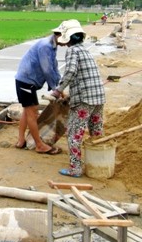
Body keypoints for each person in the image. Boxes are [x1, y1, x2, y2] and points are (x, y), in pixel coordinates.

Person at [51, 19, 106, 178]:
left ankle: (75, 169)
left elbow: (71, 72)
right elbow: (83, 76)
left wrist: (58, 90)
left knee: (74, 133)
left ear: (67, 36)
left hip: (84, 100)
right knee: (96, 131)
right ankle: (98, 163)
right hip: (98, 97)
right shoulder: (84, 49)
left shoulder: (73, 51)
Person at [14, 22, 66, 155]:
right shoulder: (45, 46)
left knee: (27, 110)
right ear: (59, 35)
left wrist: (60, 88)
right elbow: (47, 70)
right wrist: (56, 89)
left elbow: (54, 67)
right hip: (26, 82)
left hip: (27, 81)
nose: (66, 43)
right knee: (33, 113)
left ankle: (20, 141)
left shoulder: (52, 46)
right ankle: (39, 145)